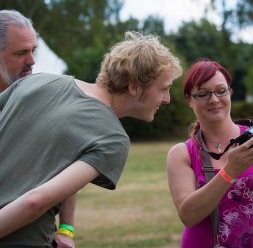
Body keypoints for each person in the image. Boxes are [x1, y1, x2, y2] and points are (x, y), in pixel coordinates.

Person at [0, 30, 183, 247]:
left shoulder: (36, 82)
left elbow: (60, 166)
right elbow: (35, 201)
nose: (167, 99)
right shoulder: (113, 139)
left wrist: (66, 228)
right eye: (163, 89)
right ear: (134, 86)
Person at [167, 59, 253, 248]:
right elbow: (188, 215)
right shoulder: (182, 153)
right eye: (203, 94)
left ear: (230, 92)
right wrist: (230, 171)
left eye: (221, 91)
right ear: (189, 99)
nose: (214, 99)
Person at [0, 9, 77, 248]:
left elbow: (69, 164)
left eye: (34, 50)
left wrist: (66, 228)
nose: (32, 61)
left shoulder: (44, 100)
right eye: (21, 53)